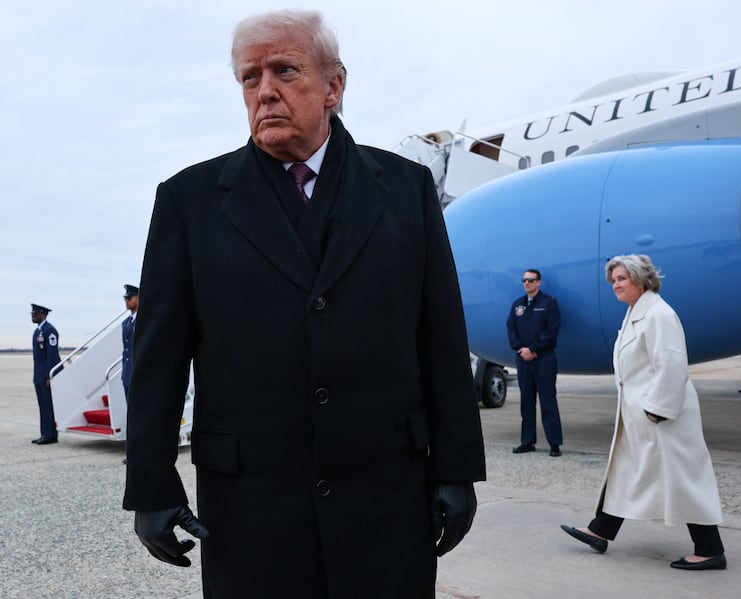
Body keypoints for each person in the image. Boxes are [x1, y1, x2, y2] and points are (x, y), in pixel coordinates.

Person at [123, 9, 486, 598]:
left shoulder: (405, 190)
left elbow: (440, 338)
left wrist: (457, 467)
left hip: (387, 496)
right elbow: (160, 357)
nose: (265, 90)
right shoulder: (188, 202)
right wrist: (152, 484)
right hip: (250, 506)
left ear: (334, 86)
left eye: (285, 71)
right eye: (250, 77)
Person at [561, 254, 726, 570]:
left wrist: (657, 410)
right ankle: (601, 531)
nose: (616, 285)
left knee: (683, 480)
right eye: (614, 280)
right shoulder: (638, 312)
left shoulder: (658, 315)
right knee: (626, 471)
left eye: (622, 278)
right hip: (640, 415)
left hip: (661, 417)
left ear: (641, 279)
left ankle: (710, 549)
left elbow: (672, 363)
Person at [506, 269, 563, 456]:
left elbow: (551, 330)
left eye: (530, 280)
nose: (526, 283)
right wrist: (520, 349)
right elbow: (511, 328)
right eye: (524, 280)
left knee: (548, 402)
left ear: (539, 282)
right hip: (523, 360)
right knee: (526, 403)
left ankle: (554, 444)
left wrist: (533, 349)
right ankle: (527, 442)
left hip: (543, 359)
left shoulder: (549, 303)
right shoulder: (518, 305)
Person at [30, 304, 60, 445]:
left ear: (43, 314)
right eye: (32, 313)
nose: (33, 316)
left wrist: (50, 376)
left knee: (48, 405)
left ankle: (51, 435)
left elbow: (52, 356)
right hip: (38, 375)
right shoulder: (38, 332)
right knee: (42, 406)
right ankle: (44, 433)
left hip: (45, 376)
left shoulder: (49, 331)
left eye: (35, 314)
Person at [121, 284, 139, 401]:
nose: (126, 301)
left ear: (138, 298)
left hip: (139, 373)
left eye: (130, 298)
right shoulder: (125, 323)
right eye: (125, 298)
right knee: (130, 408)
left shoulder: (144, 320)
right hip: (127, 373)